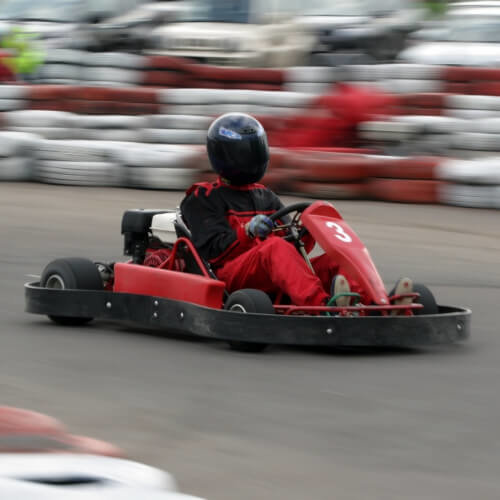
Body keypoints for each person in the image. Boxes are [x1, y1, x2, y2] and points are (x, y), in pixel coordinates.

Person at [180, 112, 369, 309]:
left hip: (269, 270)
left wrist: (307, 232)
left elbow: (292, 249)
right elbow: (212, 252)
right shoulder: (203, 197)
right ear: (224, 155)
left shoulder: (265, 196)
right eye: (246, 153)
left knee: (335, 259)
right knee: (274, 248)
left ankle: (371, 303)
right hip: (228, 274)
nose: (253, 157)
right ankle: (320, 305)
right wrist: (247, 232)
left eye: (256, 150)